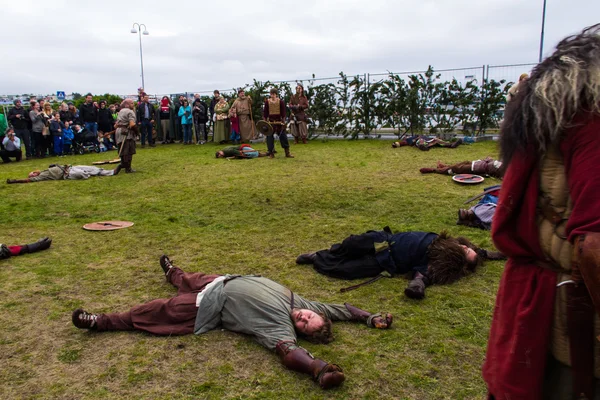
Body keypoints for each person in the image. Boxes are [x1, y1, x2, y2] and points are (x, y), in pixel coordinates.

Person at [483, 24, 600, 400]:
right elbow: (594, 246)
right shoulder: (588, 115)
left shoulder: (557, 106)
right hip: (571, 303)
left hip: (544, 287)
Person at [71, 255, 393, 389]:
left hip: (208, 305)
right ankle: (171, 272)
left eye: (304, 326)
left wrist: (317, 368)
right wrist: (370, 317)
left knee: (153, 311)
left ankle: (101, 321)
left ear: (300, 332)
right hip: (222, 280)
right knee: (186, 277)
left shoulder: (279, 326)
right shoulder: (304, 304)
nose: (304, 318)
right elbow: (343, 309)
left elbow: (286, 351)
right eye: (311, 317)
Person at [296, 228, 504, 300]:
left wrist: (418, 285)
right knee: (352, 243)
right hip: (386, 239)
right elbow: (480, 251)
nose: (467, 249)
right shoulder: (447, 240)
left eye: (467, 254)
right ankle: (324, 252)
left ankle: (316, 259)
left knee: (347, 270)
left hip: (386, 262)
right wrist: (496, 254)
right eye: (468, 248)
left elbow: (426, 274)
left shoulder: (441, 262)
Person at [6, 164, 120, 183]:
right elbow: (27, 180)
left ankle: (111, 172)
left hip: (69, 167)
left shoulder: (46, 169)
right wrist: (14, 181)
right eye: (31, 175)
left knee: (92, 168)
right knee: (83, 174)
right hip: (67, 175)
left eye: (32, 173)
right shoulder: (43, 176)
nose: (32, 174)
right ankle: (92, 174)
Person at [263, 88, 293, 158]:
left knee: (283, 136)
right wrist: (265, 122)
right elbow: (265, 113)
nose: (272, 95)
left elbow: (283, 113)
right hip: (270, 122)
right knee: (269, 137)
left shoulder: (281, 102)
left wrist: (283, 121)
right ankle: (271, 153)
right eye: (271, 94)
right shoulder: (267, 102)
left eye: (273, 94)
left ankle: (287, 152)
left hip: (279, 122)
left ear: (276, 94)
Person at [419, 157, 503, 178]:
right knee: (464, 162)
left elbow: (495, 172)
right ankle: (445, 166)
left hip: (479, 168)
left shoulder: (504, 171)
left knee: (456, 169)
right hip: (480, 163)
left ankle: (435, 170)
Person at [114, 99, 137, 173]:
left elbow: (116, 125)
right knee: (128, 150)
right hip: (126, 132)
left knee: (122, 149)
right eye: (132, 103)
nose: (133, 104)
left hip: (119, 131)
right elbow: (132, 124)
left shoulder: (120, 111)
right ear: (127, 105)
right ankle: (126, 167)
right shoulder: (130, 112)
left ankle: (123, 165)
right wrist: (137, 131)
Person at [392, 135, 462, 151]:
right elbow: (400, 143)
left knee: (436, 141)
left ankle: (451, 144)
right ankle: (422, 147)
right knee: (421, 141)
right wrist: (395, 144)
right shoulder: (408, 140)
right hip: (419, 141)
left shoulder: (414, 136)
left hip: (428, 140)